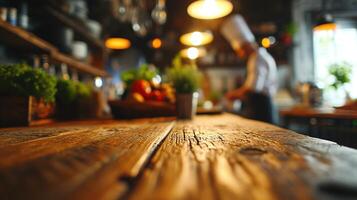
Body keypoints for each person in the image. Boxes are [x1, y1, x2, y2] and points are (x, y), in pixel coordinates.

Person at [221, 14, 278, 124]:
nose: (239, 54)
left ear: (245, 45)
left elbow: (252, 89)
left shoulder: (257, 58)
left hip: (262, 109)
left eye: (239, 50)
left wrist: (231, 95)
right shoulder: (261, 56)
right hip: (261, 107)